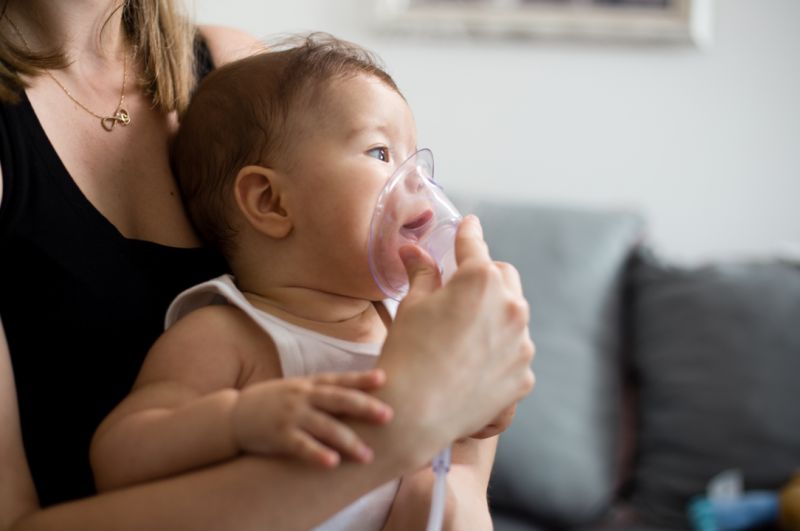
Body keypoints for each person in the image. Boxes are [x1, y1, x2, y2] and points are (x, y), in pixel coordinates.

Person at [0, 1, 534, 529]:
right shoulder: (224, 335)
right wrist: (239, 422)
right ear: (269, 203)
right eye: (379, 154)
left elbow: (453, 450)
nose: (417, 186)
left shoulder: (244, 72)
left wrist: (469, 437)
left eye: (413, 156)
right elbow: (119, 454)